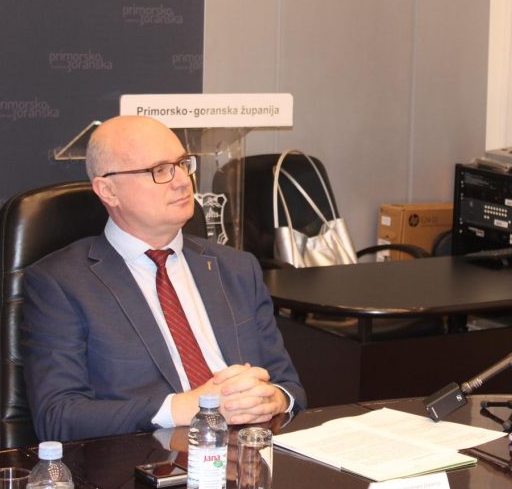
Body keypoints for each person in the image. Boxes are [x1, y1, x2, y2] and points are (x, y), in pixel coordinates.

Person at [21, 115, 306, 442]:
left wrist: (275, 399)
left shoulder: (237, 268)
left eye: (183, 164)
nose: (183, 181)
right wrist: (187, 407)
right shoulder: (60, 283)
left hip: (248, 452)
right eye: (159, 170)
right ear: (108, 190)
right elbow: (58, 417)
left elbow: (289, 386)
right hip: (148, 459)